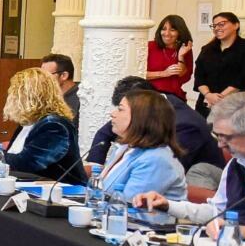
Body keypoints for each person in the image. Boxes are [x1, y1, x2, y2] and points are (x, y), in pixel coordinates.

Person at [135, 92, 245, 241]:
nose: (220, 144)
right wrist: (168, 205)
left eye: (226, 137)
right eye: (217, 136)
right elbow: (216, 211)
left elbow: (242, 229)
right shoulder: (237, 165)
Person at [85, 75, 224, 176]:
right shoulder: (147, 108)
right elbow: (105, 133)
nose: (113, 114)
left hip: (201, 178)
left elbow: (165, 171)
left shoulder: (184, 126)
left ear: (142, 105)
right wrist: (95, 169)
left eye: (121, 109)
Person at [0, 68, 82, 181]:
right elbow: (16, 153)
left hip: (60, 195)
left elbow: (29, 162)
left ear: (28, 96)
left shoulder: (55, 125)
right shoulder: (30, 122)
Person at [95, 90, 187, 202]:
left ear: (140, 117)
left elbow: (129, 206)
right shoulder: (126, 147)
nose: (113, 114)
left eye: (120, 109)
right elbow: (102, 191)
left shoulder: (155, 159)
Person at [193, 11, 245, 115]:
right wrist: (208, 95)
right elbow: (199, 76)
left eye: (221, 24)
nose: (217, 28)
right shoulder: (207, 49)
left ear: (236, 25)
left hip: (237, 105)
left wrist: (218, 99)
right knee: (203, 130)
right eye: (214, 25)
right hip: (206, 103)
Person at [145, 14, 193, 100]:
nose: (167, 33)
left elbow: (183, 77)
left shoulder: (185, 49)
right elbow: (137, 74)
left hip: (174, 96)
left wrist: (181, 56)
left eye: (172, 30)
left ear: (180, 32)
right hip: (150, 95)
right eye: (163, 29)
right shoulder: (149, 46)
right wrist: (164, 73)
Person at [39, 53, 81, 123]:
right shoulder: (46, 96)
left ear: (64, 75)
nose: (41, 79)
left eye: (46, 75)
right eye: (40, 74)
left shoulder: (81, 98)